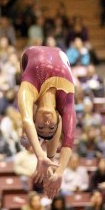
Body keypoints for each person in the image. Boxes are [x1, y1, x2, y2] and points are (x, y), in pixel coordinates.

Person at [18, 46, 76, 198]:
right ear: (58, 117)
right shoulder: (66, 102)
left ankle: (48, 156)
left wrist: (40, 155)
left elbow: (26, 120)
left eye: (41, 126)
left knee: (24, 113)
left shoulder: (29, 89)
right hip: (60, 53)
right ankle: (50, 157)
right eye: (51, 126)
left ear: (34, 116)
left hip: (27, 59)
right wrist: (60, 170)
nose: (47, 122)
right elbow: (69, 139)